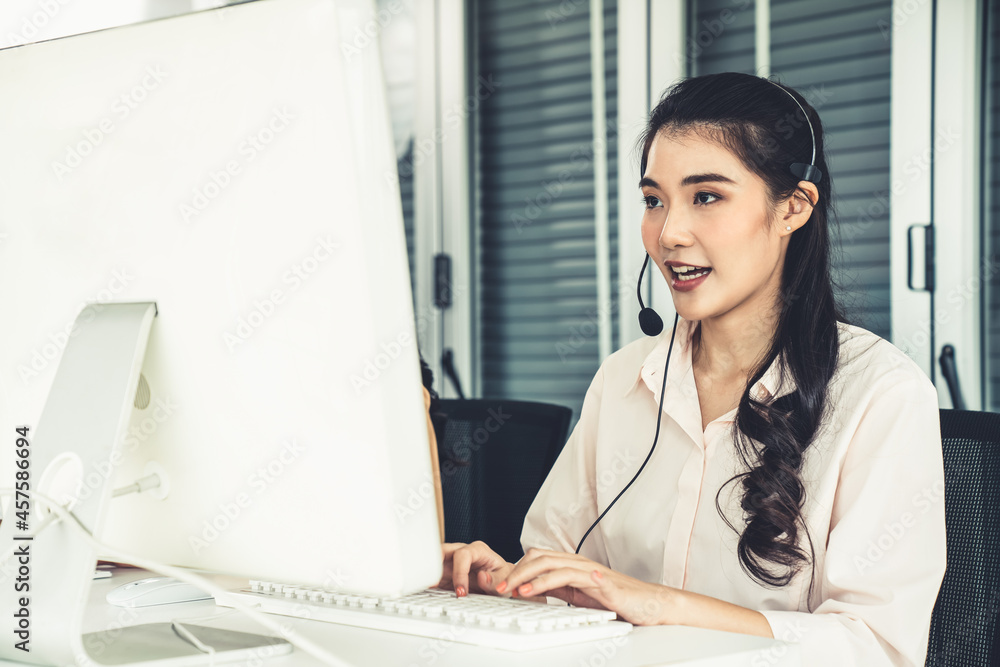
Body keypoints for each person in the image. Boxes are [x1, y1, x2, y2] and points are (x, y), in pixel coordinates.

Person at [437, 72, 946, 666]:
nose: (668, 234)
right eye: (654, 200)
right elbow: (558, 570)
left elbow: (876, 646)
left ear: (792, 208)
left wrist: (659, 604)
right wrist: (503, 585)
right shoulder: (625, 379)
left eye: (706, 196)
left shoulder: (879, 393)